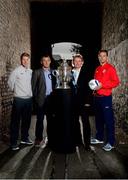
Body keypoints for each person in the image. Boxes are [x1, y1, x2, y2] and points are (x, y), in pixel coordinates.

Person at [91, 50, 120, 151]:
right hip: (97, 98)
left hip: (106, 98)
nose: (102, 58)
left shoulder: (110, 68)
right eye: (100, 56)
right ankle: (99, 138)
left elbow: (116, 82)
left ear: (107, 57)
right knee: (98, 119)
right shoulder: (97, 69)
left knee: (108, 120)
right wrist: (94, 90)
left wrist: (103, 85)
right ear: (98, 57)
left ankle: (110, 142)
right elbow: (96, 83)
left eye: (104, 56)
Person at [8, 52, 33, 151]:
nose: (25, 61)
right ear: (21, 60)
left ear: (29, 60)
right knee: (15, 122)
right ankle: (13, 143)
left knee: (26, 121)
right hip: (19, 100)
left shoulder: (31, 71)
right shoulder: (16, 71)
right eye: (24, 59)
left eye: (27, 59)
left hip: (29, 100)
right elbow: (10, 83)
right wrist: (17, 92)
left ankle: (24, 138)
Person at [32, 55, 56, 147]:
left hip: (51, 99)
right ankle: (38, 138)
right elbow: (33, 87)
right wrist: (35, 100)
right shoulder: (37, 72)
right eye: (44, 60)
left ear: (50, 61)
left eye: (48, 60)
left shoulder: (54, 72)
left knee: (51, 120)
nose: (46, 62)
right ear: (41, 62)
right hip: (41, 99)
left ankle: (51, 138)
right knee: (40, 120)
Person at [70, 54, 92, 150]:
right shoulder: (69, 73)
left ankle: (87, 143)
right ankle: (78, 141)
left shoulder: (87, 73)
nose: (77, 63)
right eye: (76, 61)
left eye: (79, 61)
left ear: (82, 63)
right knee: (74, 122)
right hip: (72, 102)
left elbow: (89, 89)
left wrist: (87, 101)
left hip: (83, 102)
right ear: (73, 62)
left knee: (85, 122)